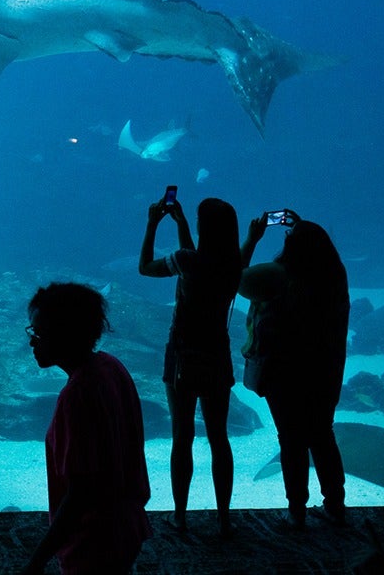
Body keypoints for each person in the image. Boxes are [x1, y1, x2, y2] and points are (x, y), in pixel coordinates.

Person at [22, 282, 152, 575]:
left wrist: (37, 560)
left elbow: (80, 493)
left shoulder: (77, 395)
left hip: (94, 541)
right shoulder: (111, 366)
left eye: (39, 334)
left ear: (65, 334)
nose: (32, 342)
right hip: (125, 528)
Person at [138, 195, 244, 535]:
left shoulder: (186, 260)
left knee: (181, 436)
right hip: (216, 355)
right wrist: (182, 224)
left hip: (182, 355)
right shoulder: (232, 266)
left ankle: (180, 515)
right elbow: (196, 261)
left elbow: (146, 267)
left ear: (204, 229)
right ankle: (224, 518)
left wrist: (153, 223)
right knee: (219, 438)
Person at [240, 211, 351, 529]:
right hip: (325, 371)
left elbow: (237, 278)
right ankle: (335, 505)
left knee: (291, 440)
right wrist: (301, 227)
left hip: (284, 373)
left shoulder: (278, 275)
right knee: (321, 436)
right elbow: (313, 246)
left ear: (292, 248)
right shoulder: (334, 275)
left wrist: (252, 239)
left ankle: (297, 511)